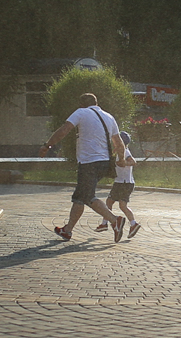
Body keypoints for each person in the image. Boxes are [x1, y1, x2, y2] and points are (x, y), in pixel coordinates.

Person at [39, 92, 128, 242]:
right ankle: (67, 231)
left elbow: (64, 130)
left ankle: (115, 220)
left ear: (81, 104)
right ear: (96, 103)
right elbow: (119, 143)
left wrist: (47, 145)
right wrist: (121, 159)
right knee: (80, 197)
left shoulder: (81, 112)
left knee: (87, 196)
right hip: (104, 163)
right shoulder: (109, 117)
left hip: (89, 163)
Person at [95, 131, 141, 238]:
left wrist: (125, 163)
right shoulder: (118, 152)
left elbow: (133, 162)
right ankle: (105, 223)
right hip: (120, 182)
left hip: (125, 183)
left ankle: (133, 224)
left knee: (122, 205)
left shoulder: (125, 151)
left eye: (116, 141)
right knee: (110, 202)